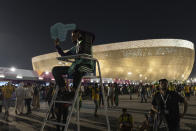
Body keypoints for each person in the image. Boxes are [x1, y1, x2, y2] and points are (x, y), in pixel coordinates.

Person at [52, 29, 95, 94]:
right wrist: (57, 46)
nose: (72, 37)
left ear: (78, 35)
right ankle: (64, 90)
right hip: (75, 67)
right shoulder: (74, 48)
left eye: (73, 36)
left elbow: (92, 36)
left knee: (78, 67)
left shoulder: (86, 45)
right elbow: (64, 55)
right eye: (71, 36)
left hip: (86, 67)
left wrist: (81, 34)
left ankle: (74, 91)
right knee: (55, 70)